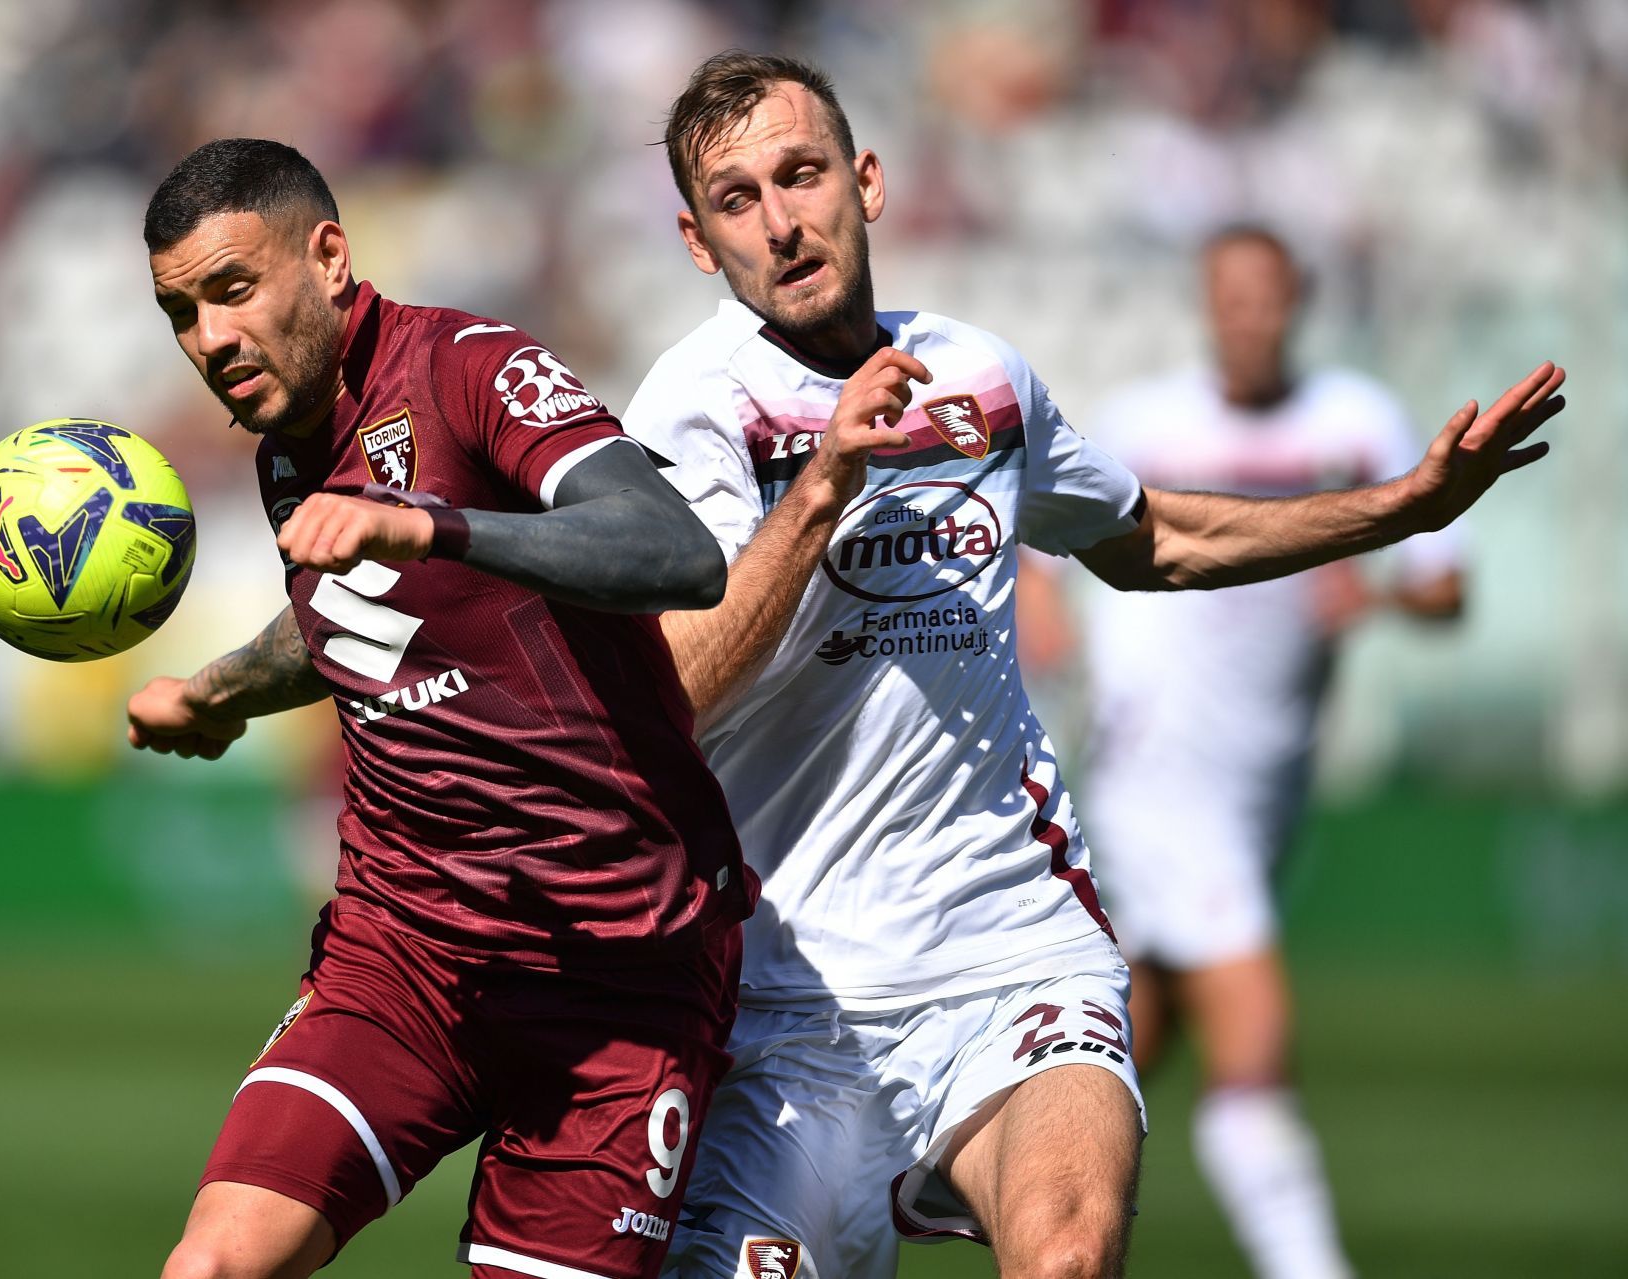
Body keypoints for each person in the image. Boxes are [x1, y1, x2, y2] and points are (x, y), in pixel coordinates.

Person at [619, 52, 1564, 1279]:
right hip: (788, 1006)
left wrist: (1400, 506)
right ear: (701, 244)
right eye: (739, 200)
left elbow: (1151, 537)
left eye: (801, 175)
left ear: (867, 181)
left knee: (1066, 1252)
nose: (783, 221)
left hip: (1016, 949)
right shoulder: (693, 411)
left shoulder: (981, 376)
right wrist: (821, 488)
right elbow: (664, 690)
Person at [124, 137, 756, 1279]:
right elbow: (355, 616)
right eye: (182, 312)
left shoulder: (471, 366)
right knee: (212, 1265)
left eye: (231, 290)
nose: (210, 340)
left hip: (620, 975)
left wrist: (429, 522)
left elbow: (675, 550)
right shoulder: (288, 448)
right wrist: (218, 692)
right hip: (404, 953)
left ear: (327, 257)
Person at [1020, 226, 1464, 1279]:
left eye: (1266, 298)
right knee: (1254, 1035)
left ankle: (982, 1192)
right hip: (1153, 766)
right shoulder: (1145, 422)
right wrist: (1043, 608)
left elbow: (1448, 584)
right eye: (1231, 298)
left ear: (1296, 300)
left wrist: (1385, 594)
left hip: (1264, 785)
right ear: (1207, 305)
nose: (1249, 318)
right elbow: (1041, 539)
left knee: (1123, 1046)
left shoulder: (1354, 421)